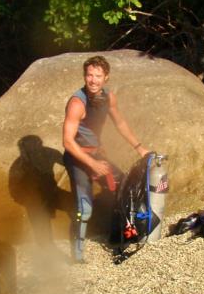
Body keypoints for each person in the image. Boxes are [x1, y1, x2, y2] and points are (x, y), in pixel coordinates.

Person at [62, 55, 148, 262]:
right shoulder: (77, 103)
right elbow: (67, 141)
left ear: (106, 78)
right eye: (89, 75)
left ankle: (116, 236)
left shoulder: (109, 97)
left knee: (122, 187)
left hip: (97, 154)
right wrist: (92, 164)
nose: (93, 80)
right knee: (85, 208)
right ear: (84, 76)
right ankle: (77, 255)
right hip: (77, 157)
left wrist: (140, 148)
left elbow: (120, 124)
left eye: (98, 76)